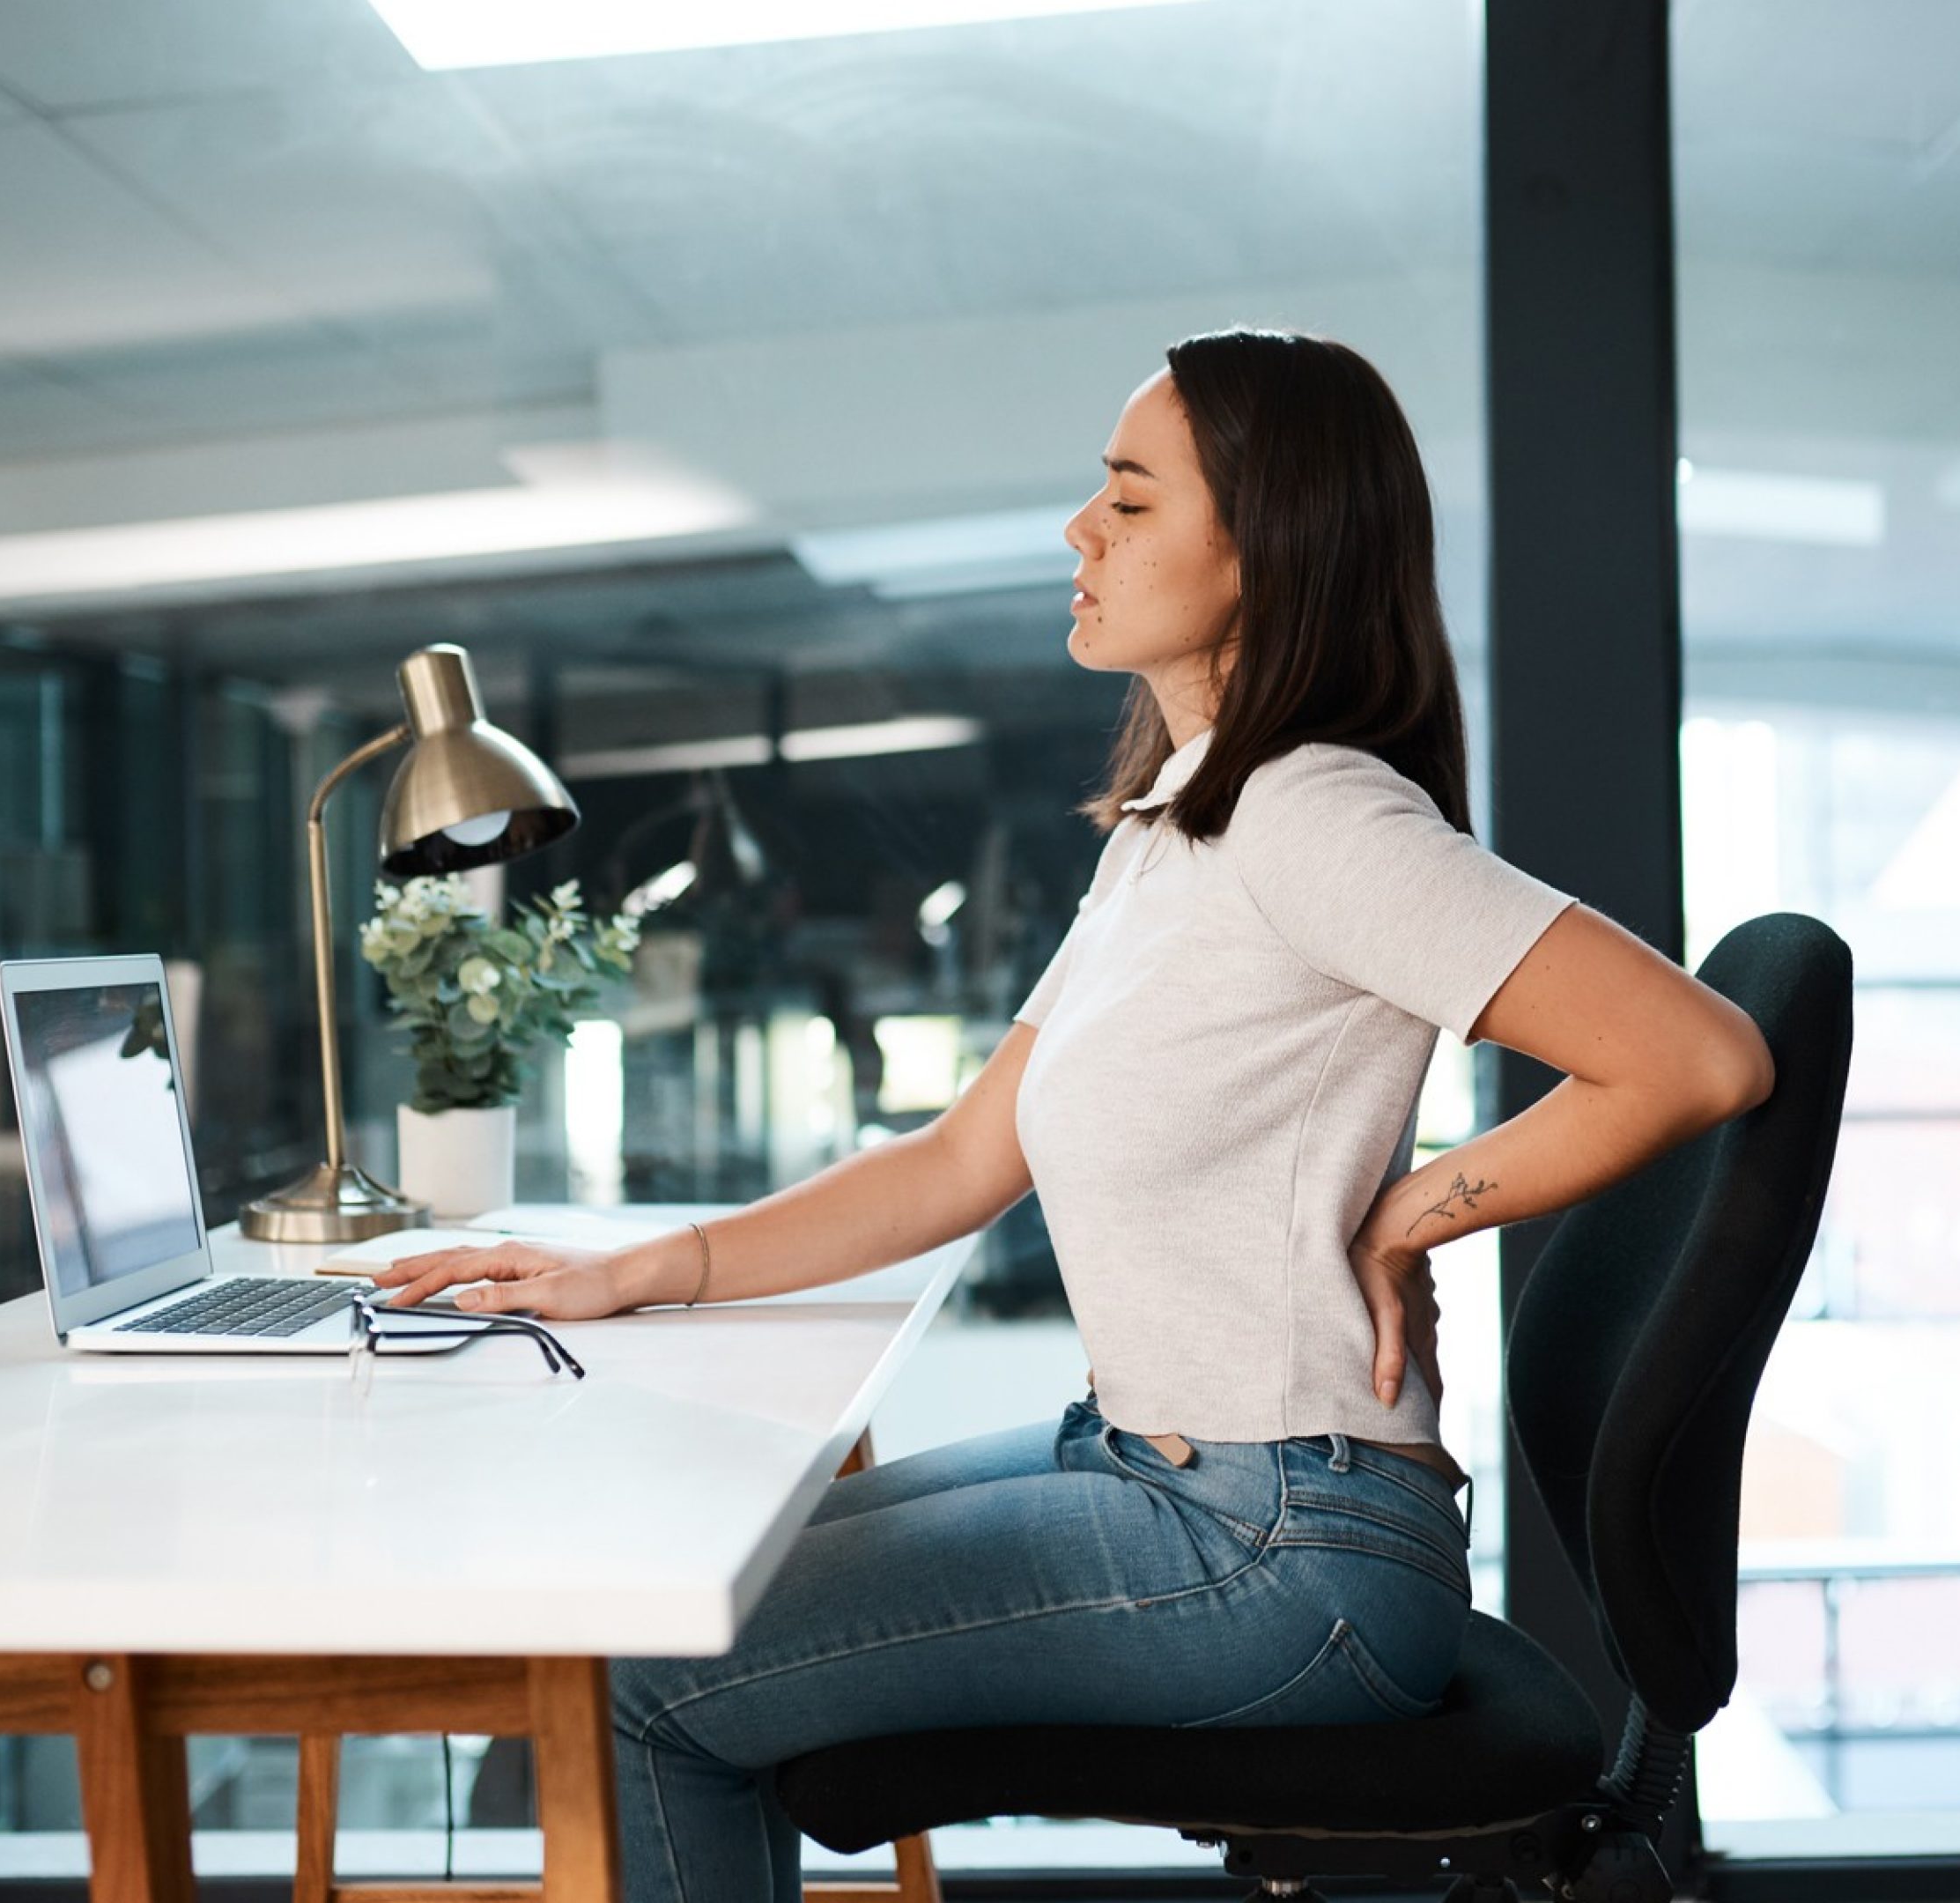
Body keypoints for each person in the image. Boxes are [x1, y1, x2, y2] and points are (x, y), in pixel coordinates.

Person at [371, 329, 1778, 1902]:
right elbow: (968, 1157)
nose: (1077, 533)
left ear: (1270, 547)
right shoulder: (1178, 823)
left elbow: (1698, 1056)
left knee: (644, 1680)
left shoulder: (1319, 816)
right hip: (1163, 1475)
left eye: (1128, 500)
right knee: (687, 1586)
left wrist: (1415, 1207)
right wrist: (629, 1272)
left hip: (1276, 1548)